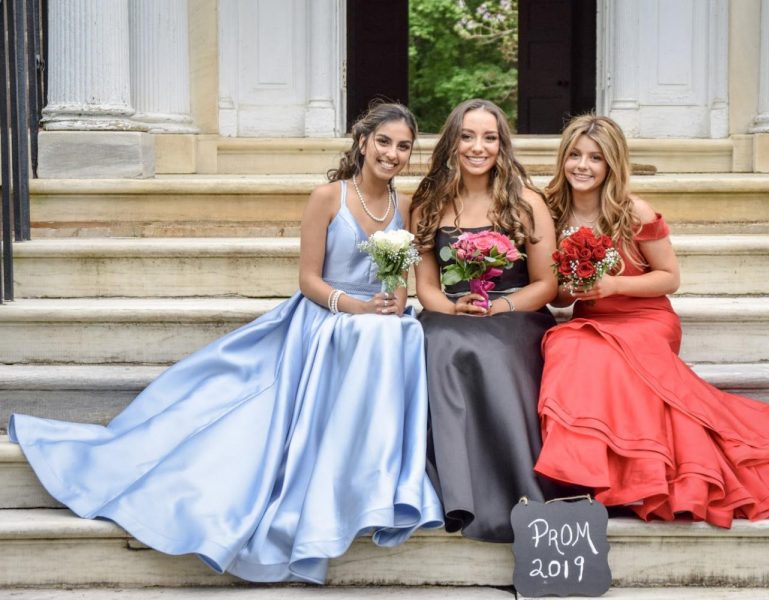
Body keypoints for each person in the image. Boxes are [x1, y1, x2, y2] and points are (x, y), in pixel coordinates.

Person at [8, 103, 443, 582]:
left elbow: (401, 279)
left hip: (374, 323)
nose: (393, 154)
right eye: (384, 142)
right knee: (366, 338)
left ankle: (372, 484)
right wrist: (351, 307)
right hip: (322, 318)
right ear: (363, 142)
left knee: (401, 334)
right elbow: (308, 281)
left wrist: (390, 305)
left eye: (403, 146)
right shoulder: (327, 197)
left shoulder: (405, 206)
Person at [535, 114, 769, 528]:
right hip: (592, 318)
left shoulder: (632, 211)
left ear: (612, 165)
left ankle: (638, 475)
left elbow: (669, 278)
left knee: (607, 357)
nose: (583, 165)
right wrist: (574, 287)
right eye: (575, 155)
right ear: (563, 159)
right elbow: (558, 293)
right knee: (568, 344)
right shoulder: (550, 213)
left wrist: (614, 286)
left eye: (595, 158)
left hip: (643, 317)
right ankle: (584, 475)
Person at [411, 99, 567, 543]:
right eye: (467, 136)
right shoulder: (429, 202)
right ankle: (451, 494)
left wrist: (501, 306)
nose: (478, 147)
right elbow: (426, 285)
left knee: (489, 348)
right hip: (449, 311)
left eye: (489, 137)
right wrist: (450, 308)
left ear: (502, 146)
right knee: (436, 342)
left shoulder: (526, 203)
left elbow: (547, 285)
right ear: (451, 142)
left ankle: (511, 489)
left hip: (515, 313)